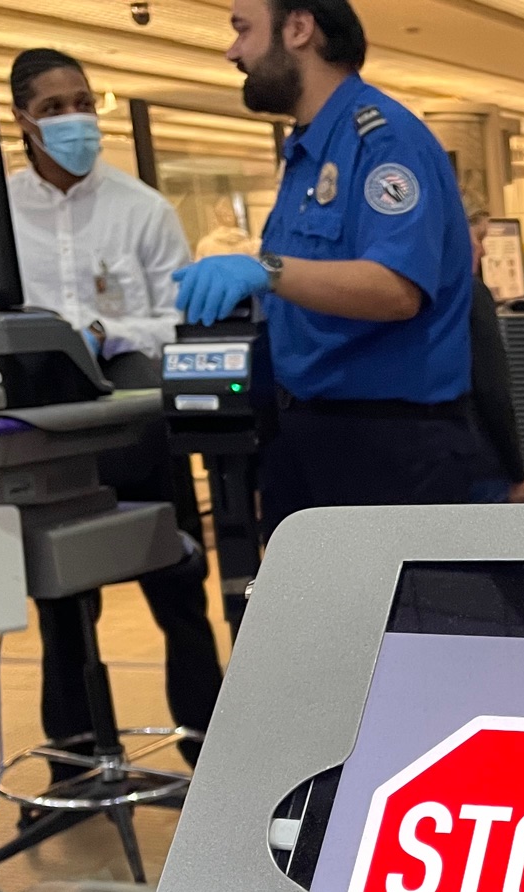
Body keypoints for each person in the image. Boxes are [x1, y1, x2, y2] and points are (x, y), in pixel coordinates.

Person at [174, 0, 478, 533]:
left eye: (242, 30)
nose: (233, 51)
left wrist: (262, 268)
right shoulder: (306, 152)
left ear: (298, 28)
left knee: (391, 615)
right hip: (307, 432)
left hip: (388, 443)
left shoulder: (384, 140)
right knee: (304, 613)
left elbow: (396, 288)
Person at [5, 48, 223, 758]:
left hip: (136, 423)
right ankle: (75, 763)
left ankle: (210, 752)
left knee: (177, 587)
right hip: (43, 432)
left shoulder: (141, 208)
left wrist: (106, 333)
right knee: (61, 606)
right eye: (54, 108)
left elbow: (178, 319)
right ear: (23, 121)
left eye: (84, 103)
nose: (75, 120)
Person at [463, 202, 524, 504]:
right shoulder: (471, 294)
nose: (484, 251)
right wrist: (517, 473)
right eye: (479, 238)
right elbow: (492, 390)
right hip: (479, 460)